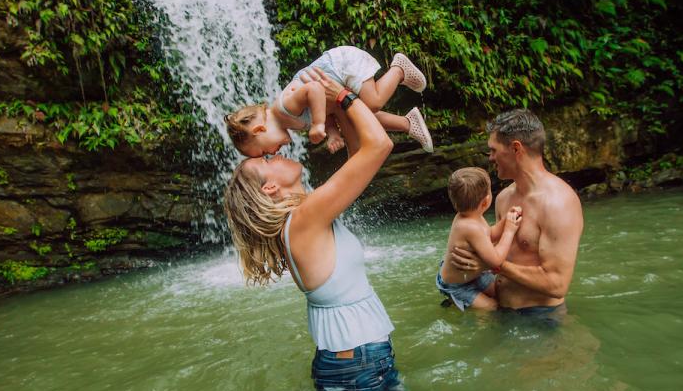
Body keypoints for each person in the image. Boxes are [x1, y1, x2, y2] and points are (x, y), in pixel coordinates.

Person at [224, 67, 404, 391]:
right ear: (270, 189)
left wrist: (339, 111)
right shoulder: (305, 219)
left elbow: (359, 157)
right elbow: (380, 145)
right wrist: (341, 95)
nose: (277, 150)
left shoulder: (299, 223)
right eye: (267, 160)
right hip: (359, 362)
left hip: (349, 360)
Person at [451, 109, 583, 327]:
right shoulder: (503, 198)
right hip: (502, 311)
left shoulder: (559, 203)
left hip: (540, 319)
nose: (490, 158)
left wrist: (493, 265)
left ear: (515, 148)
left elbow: (557, 284)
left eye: (493, 150)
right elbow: (498, 252)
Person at [224, 45, 433, 157]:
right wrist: (332, 133)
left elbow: (314, 89)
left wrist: (317, 125)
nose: (270, 154)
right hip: (337, 88)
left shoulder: (284, 107)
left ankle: (398, 69)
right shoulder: (290, 122)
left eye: (263, 152)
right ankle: (407, 123)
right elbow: (326, 108)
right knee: (357, 116)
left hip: (341, 65)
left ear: (259, 130)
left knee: (373, 103)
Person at [436, 167, 522, 311]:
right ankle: (453, 301)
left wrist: (507, 220)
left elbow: (490, 234)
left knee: (500, 293)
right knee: (491, 307)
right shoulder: (469, 227)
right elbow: (496, 261)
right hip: (456, 285)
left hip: (471, 275)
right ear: (485, 201)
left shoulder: (471, 216)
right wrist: (509, 231)